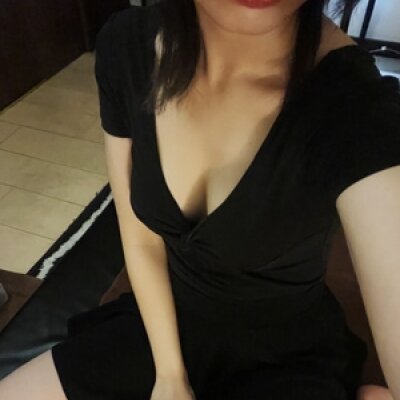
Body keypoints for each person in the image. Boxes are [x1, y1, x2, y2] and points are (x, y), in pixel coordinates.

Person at [0, 0, 399, 399]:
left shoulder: (356, 105)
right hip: (162, 322)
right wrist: (170, 376)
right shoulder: (128, 47)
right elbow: (141, 239)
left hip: (286, 358)